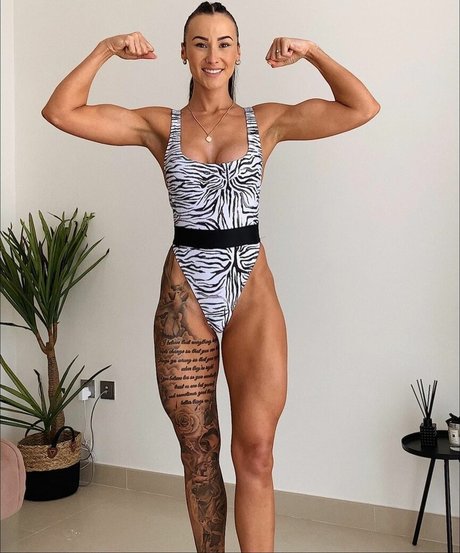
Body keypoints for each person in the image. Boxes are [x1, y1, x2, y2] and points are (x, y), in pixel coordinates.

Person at [41, 2, 380, 551]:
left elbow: (362, 107)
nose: (213, 55)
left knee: (256, 453)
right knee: (199, 457)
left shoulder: (266, 121)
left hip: (252, 294)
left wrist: (312, 52)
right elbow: (61, 112)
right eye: (200, 43)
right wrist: (106, 49)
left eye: (224, 43)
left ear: (239, 52)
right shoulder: (161, 125)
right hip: (186, 296)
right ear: (184, 53)